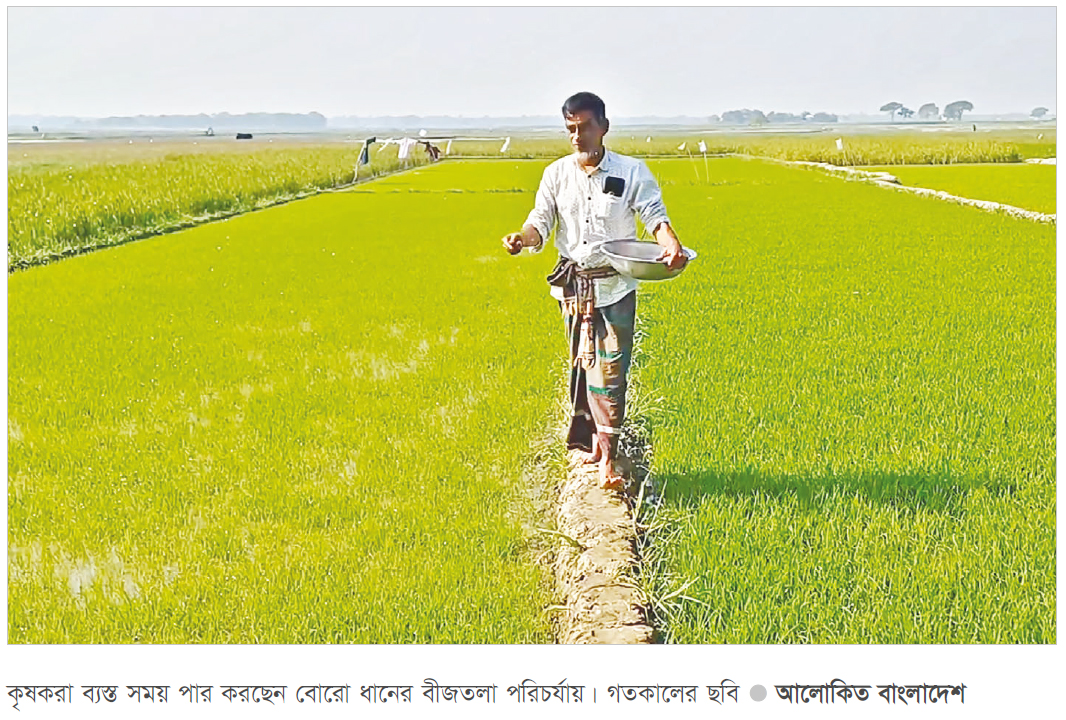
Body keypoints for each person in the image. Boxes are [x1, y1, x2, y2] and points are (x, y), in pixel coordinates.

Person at [501, 91, 685, 489]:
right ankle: (593, 447)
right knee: (583, 369)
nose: (577, 136)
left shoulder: (631, 171)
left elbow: (654, 213)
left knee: (612, 370)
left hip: (615, 285)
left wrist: (669, 242)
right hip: (573, 288)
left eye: (584, 127)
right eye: (571, 129)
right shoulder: (556, 175)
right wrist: (523, 237)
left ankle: (610, 459)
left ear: (604, 126)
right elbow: (540, 222)